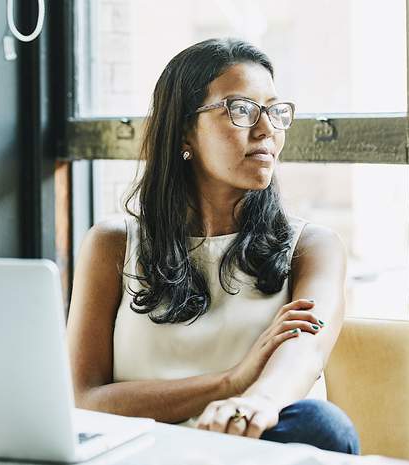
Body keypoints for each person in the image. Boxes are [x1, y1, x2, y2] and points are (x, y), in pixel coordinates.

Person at [66, 38, 360, 455]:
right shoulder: (112, 244)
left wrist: (256, 399)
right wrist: (230, 382)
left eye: (275, 111)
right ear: (185, 128)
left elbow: (306, 351)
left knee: (320, 426)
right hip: (144, 455)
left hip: (249, 447)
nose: (266, 129)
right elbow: (84, 400)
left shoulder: (311, 247)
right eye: (241, 109)